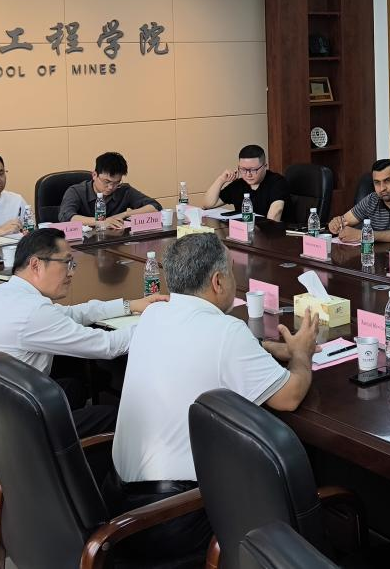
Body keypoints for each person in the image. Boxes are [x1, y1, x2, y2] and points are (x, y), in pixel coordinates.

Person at [112, 233, 320, 558]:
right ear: (218, 281)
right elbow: (289, 397)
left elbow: (198, 343)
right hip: (177, 515)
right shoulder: (227, 332)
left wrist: (266, 347)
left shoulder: (153, 314)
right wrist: (301, 354)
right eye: (233, 272)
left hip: (121, 506)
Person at [0, 228, 166, 471]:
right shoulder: (32, 313)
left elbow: (70, 314)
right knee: (110, 417)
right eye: (67, 263)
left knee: (73, 388)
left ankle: (68, 465)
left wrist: (130, 305)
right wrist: (159, 321)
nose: (71, 272)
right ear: (36, 265)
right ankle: (102, 486)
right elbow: (108, 346)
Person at [328, 159, 390, 244]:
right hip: (377, 255)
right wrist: (335, 224)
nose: (382, 188)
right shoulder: (372, 199)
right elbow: (343, 221)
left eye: (387, 181)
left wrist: (364, 235)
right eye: (377, 182)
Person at [59, 151, 162, 227]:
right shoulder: (76, 191)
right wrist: (101, 222)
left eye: (116, 182)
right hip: (84, 245)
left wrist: (124, 214)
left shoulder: (123, 190)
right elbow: (66, 217)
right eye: (106, 182)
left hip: (115, 243)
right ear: (94, 175)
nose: (111, 187)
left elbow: (155, 207)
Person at [201, 144, 290, 221]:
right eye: (243, 169)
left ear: (265, 166)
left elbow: (276, 212)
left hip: (274, 232)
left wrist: (265, 233)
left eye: (253, 170)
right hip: (246, 231)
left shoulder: (277, 182)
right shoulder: (239, 184)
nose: (248, 174)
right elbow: (208, 204)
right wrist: (221, 179)